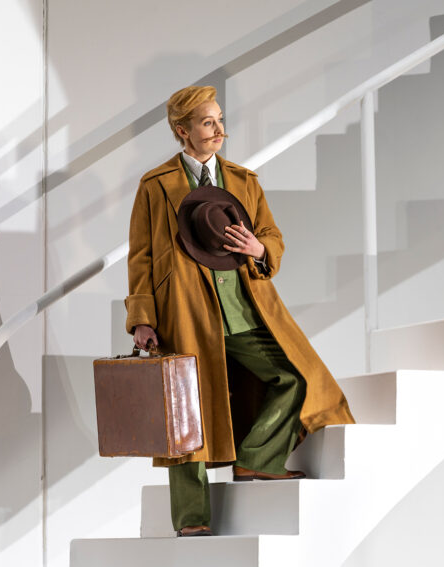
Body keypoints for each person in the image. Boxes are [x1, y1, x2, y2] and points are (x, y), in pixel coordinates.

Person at [125, 85, 354, 537]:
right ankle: (192, 519)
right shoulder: (156, 186)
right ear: (182, 130)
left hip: (245, 307)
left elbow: (272, 234)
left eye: (220, 121)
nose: (220, 131)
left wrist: (259, 246)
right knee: (184, 411)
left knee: (294, 376)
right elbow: (141, 256)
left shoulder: (244, 181)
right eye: (208, 123)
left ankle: (257, 459)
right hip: (185, 311)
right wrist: (142, 317)